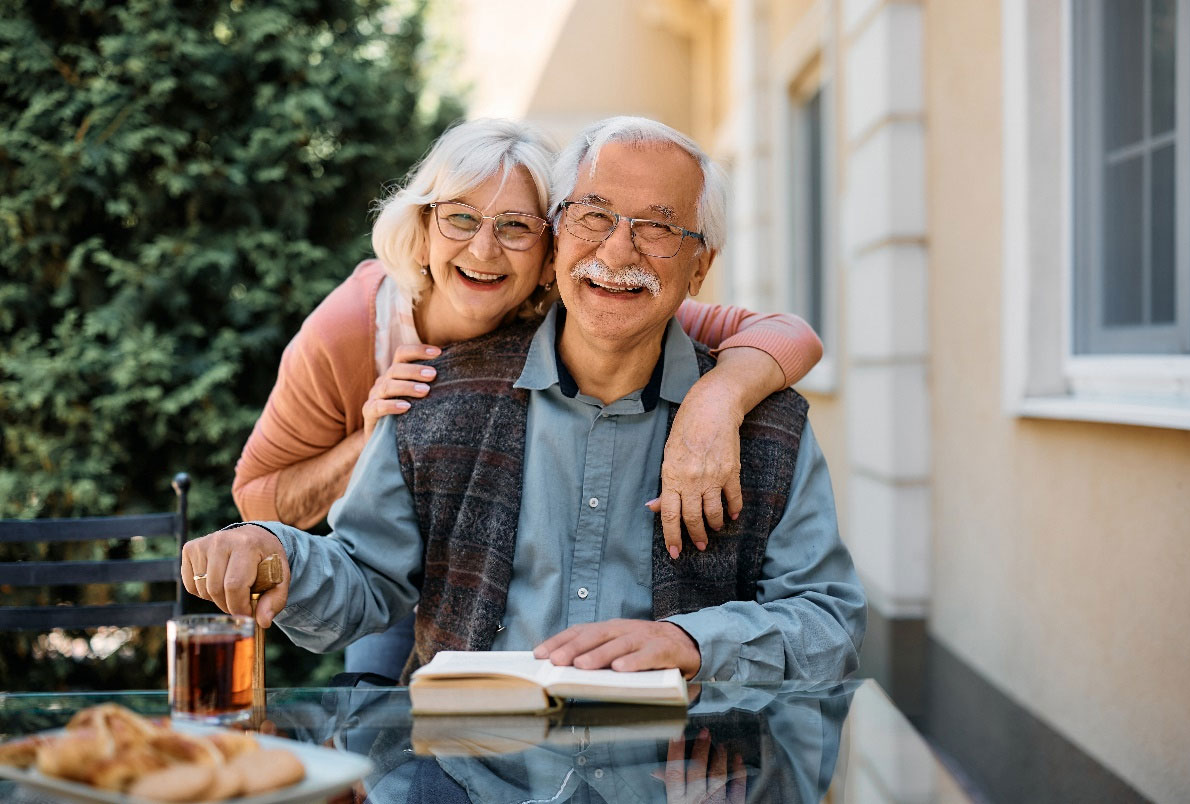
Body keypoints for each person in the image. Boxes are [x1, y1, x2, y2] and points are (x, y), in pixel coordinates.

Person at [187, 116, 864, 684]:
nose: (616, 249)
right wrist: (274, 549)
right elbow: (364, 576)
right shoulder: (429, 393)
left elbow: (829, 623)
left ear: (699, 266)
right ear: (561, 235)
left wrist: (696, 645)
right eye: (593, 215)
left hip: (685, 769)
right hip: (469, 773)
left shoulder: (767, 425)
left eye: (657, 229)